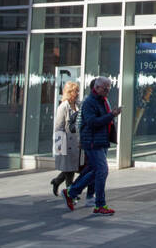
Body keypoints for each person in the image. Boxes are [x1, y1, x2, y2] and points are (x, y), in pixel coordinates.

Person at [64, 77, 121, 214]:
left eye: (109, 88)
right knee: (102, 170)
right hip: (92, 142)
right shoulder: (90, 102)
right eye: (105, 88)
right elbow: (91, 122)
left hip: (100, 141)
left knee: (96, 171)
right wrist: (111, 115)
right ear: (97, 88)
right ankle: (99, 204)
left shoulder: (101, 101)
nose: (108, 91)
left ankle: (72, 191)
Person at [50, 80, 82, 197]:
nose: (77, 93)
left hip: (76, 143)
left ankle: (57, 181)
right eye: (75, 91)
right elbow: (58, 127)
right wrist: (59, 147)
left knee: (72, 168)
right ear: (69, 92)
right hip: (66, 143)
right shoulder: (63, 107)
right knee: (70, 170)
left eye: (78, 91)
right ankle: (70, 193)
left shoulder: (78, 105)